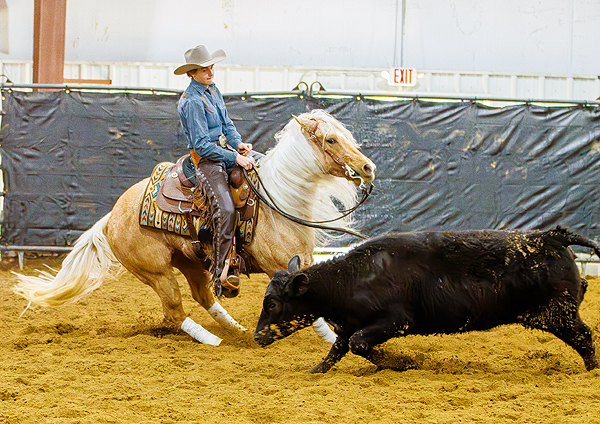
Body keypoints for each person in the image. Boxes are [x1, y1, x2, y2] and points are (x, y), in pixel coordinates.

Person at [174, 45, 258, 297]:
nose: (210, 71)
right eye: (204, 68)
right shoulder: (192, 102)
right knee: (226, 209)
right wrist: (235, 157)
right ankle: (220, 274)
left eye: (211, 67)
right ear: (192, 73)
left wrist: (239, 144)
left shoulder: (213, 91)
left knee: (261, 168)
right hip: (208, 161)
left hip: (226, 154)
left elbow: (227, 125)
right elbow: (201, 145)